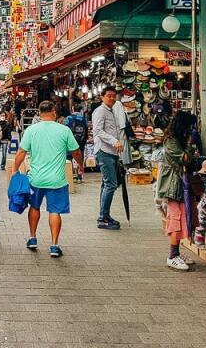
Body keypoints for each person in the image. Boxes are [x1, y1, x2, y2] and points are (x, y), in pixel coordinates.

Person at [14, 100, 78, 258]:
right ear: (53, 111)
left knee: (34, 207)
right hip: (57, 180)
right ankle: (54, 246)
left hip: (36, 178)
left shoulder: (31, 130)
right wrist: (81, 165)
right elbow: (76, 152)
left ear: (40, 114)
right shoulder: (64, 130)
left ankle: (32, 238)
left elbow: (21, 152)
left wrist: (15, 170)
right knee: (55, 211)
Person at [157, 111, 198, 271]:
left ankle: (177, 253)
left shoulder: (176, 139)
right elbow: (184, 159)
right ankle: (172, 256)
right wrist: (189, 144)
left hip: (180, 184)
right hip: (174, 185)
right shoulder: (172, 140)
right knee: (176, 219)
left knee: (183, 218)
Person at [92, 88, 126, 230]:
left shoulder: (112, 111)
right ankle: (103, 218)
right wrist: (114, 141)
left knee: (106, 184)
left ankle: (104, 215)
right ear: (102, 97)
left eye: (113, 96)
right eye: (108, 96)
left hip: (111, 152)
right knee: (111, 184)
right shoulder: (100, 111)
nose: (111, 98)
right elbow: (98, 131)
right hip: (104, 151)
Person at [63, 103, 89, 182]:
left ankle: (69, 175)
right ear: (81, 110)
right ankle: (79, 176)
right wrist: (84, 140)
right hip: (80, 142)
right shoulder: (83, 119)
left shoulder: (68, 118)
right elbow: (86, 129)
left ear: (73, 109)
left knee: (68, 158)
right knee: (80, 158)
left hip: (70, 141)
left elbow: (65, 130)